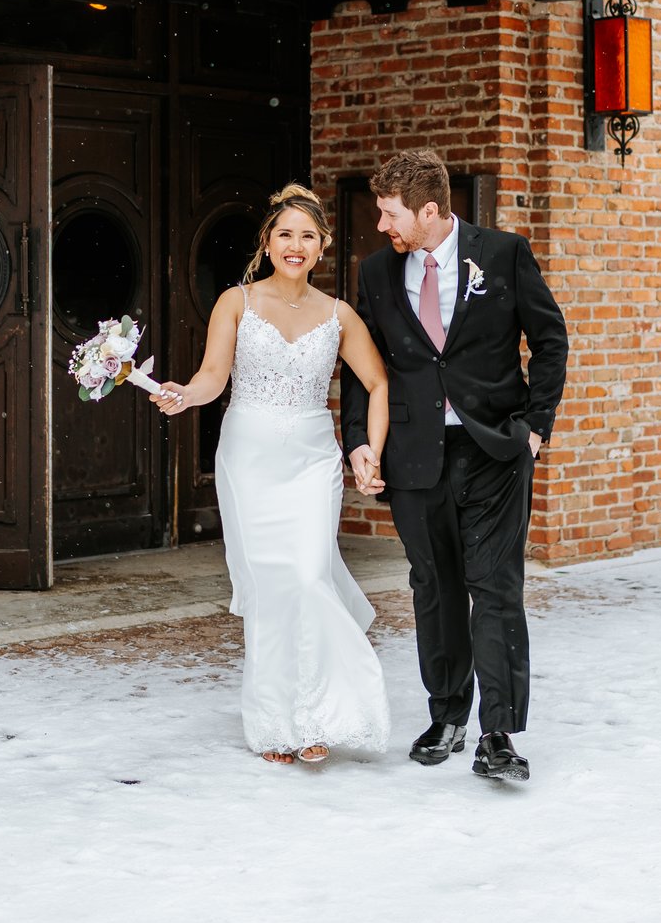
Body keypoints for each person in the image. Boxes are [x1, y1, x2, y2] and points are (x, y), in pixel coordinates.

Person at [340, 150, 568, 784]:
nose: (382, 226)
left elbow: (551, 340)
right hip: (415, 459)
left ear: (430, 209)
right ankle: (447, 715)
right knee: (434, 588)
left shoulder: (503, 255)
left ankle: (498, 734)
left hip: (495, 451)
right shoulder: (377, 273)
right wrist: (359, 439)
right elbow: (366, 369)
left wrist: (536, 427)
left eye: (391, 214)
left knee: (494, 588)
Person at [153, 185, 391, 766]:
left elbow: (379, 383)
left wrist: (370, 452)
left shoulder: (340, 316)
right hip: (248, 460)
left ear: (322, 247)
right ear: (267, 242)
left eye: (307, 236)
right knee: (269, 591)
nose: (295, 244)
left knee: (309, 578)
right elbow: (213, 376)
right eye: (285, 233)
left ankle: (316, 715)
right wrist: (186, 395)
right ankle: (274, 726)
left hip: (312, 459)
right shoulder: (236, 303)